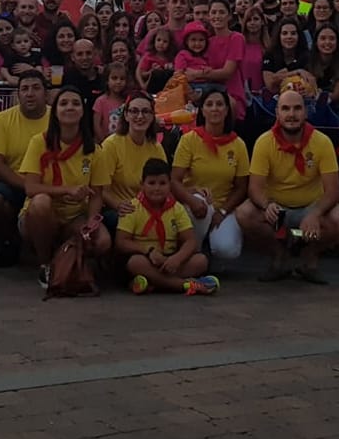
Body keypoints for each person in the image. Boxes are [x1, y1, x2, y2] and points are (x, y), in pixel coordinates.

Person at [237, 89, 339, 283]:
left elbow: (333, 191)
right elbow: (254, 188)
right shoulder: (264, 142)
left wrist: (315, 214)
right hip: (277, 209)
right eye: (285, 109)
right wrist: (267, 205)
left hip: (311, 206)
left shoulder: (322, 142)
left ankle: (309, 256)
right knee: (244, 214)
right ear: (277, 113)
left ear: (306, 112)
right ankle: (279, 254)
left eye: (297, 108)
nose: (291, 114)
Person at [18, 86, 113, 285]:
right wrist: (67, 190)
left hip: (75, 217)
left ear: (83, 112)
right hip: (40, 215)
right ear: (55, 112)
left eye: (76, 103)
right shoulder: (39, 142)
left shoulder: (94, 149)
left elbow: (97, 194)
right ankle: (44, 264)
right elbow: (31, 188)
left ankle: (66, 259)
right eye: (63, 103)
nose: (70, 107)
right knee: (41, 202)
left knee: (103, 241)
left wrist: (91, 222)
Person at [116, 159, 219, 295]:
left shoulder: (177, 208)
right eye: (151, 183)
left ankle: (154, 282)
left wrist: (177, 259)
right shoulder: (132, 207)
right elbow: (121, 242)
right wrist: (149, 252)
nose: (157, 188)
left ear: (170, 185)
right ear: (142, 184)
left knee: (200, 261)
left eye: (162, 183)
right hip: (146, 256)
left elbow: (190, 241)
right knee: (135, 263)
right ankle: (184, 285)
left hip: (170, 258)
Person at [170, 89, 248, 262]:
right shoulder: (189, 140)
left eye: (219, 104)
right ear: (202, 111)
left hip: (224, 208)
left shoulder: (238, 145)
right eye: (209, 104)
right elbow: (174, 180)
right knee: (201, 205)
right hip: (194, 203)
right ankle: (194, 253)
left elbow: (241, 187)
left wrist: (222, 211)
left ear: (227, 111)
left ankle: (209, 246)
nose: (215, 109)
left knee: (227, 250)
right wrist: (191, 200)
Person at [0, 70, 49, 268]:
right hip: (12, 182)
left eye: (36, 88)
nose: (30, 94)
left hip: (47, 184)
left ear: (46, 93)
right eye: (24, 89)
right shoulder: (3, 119)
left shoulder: (57, 118)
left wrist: (38, 187)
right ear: (18, 94)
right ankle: (9, 241)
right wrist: (27, 185)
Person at [99, 92, 165, 226]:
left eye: (145, 111)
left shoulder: (156, 147)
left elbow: (164, 184)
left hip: (148, 208)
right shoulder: (111, 145)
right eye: (134, 111)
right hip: (118, 210)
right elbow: (101, 190)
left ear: (152, 116)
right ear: (126, 115)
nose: (140, 116)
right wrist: (118, 205)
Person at [92, 62, 129, 142]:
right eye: (114, 78)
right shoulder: (100, 101)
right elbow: (96, 125)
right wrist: (104, 142)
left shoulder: (127, 101)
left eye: (122, 79)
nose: (118, 82)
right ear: (107, 80)